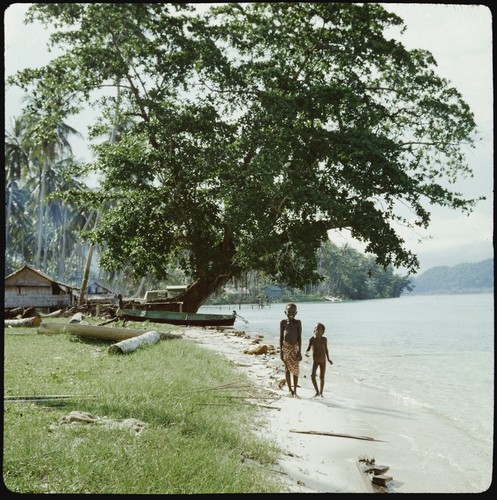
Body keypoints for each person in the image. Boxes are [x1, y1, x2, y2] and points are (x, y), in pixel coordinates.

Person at [279, 302, 302, 397]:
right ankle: (290, 390)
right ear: (285, 312)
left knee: (296, 369)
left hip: (295, 348)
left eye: (293, 311)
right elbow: (281, 337)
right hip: (286, 347)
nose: (291, 313)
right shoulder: (283, 322)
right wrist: (281, 351)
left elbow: (300, 337)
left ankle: (295, 390)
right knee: (287, 369)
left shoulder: (298, 323)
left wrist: (300, 352)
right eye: (289, 311)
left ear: (296, 313)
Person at [305, 322, 333, 398]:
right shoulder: (312, 339)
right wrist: (306, 352)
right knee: (312, 375)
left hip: (323, 360)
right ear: (314, 330)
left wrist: (328, 359)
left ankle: (321, 393)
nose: (317, 329)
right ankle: (317, 392)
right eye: (316, 328)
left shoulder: (324, 339)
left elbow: (326, 349)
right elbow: (308, 348)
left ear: (323, 331)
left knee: (322, 377)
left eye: (319, 328)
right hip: (315, 360)